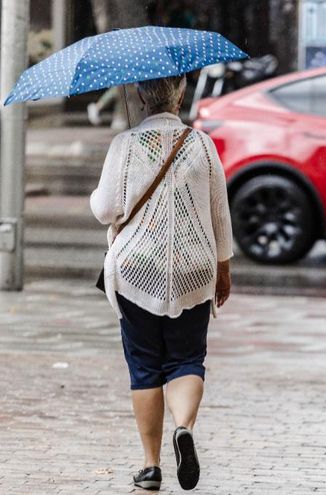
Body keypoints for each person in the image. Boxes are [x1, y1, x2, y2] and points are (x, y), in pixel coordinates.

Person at [90, 74, 234, 492]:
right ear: (181, 94)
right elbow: (219, 214)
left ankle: (151, 466)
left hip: (136, 271)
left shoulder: (124, 145)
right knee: (187, 359)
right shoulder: (203, 146)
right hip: (194, 269)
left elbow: (103, 210)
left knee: (145, 366)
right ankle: (183, 427)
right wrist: (223, 271)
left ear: (139, 96)